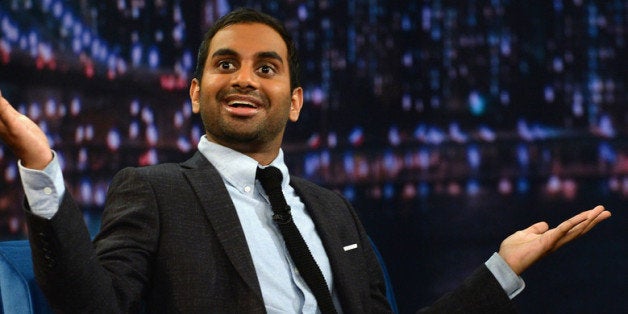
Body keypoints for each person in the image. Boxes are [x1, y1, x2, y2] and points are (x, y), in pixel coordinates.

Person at [0, 7, 611, 313]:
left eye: (266, 68)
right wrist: (41, 170)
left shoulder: (333, 211)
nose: (244, 80)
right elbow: (93, 306)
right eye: (224, 64)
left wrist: (500, 270)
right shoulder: (152, 190)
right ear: (195, 91)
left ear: (293, 102)